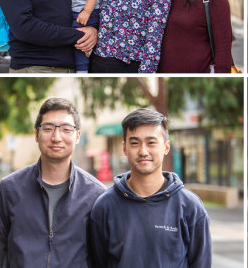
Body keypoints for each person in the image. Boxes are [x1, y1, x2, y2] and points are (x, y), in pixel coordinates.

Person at [0, 98, 106, 268]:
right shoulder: (8, 189)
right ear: (36, 135)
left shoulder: (97, 194)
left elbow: (100, 256)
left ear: (77, 136)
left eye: (66, 129)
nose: (56, 137)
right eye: (48, 129)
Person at [88, 108, 211, 267]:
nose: (143, 151)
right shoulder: (104, 206)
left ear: (166, 147)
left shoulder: (190, 207)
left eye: (151, 142)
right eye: (135, 143)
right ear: (125, 148)